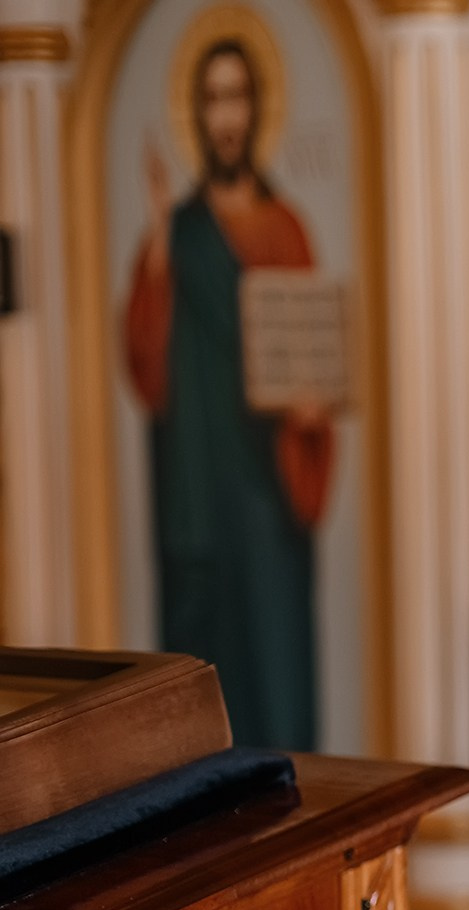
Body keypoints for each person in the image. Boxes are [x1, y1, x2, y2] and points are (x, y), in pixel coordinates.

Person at [123, 37, 333, 750]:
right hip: (199, 507)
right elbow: (147, 370)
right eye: (213, 99)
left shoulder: (287, 229)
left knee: (276, 691)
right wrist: (155, 236)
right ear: (199, 113)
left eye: (237, 97)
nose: (226, 116)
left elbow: (316, 358)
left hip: (268, 500)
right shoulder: (177, 236)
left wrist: (312, 411)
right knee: (206, 711)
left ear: (256, 107)